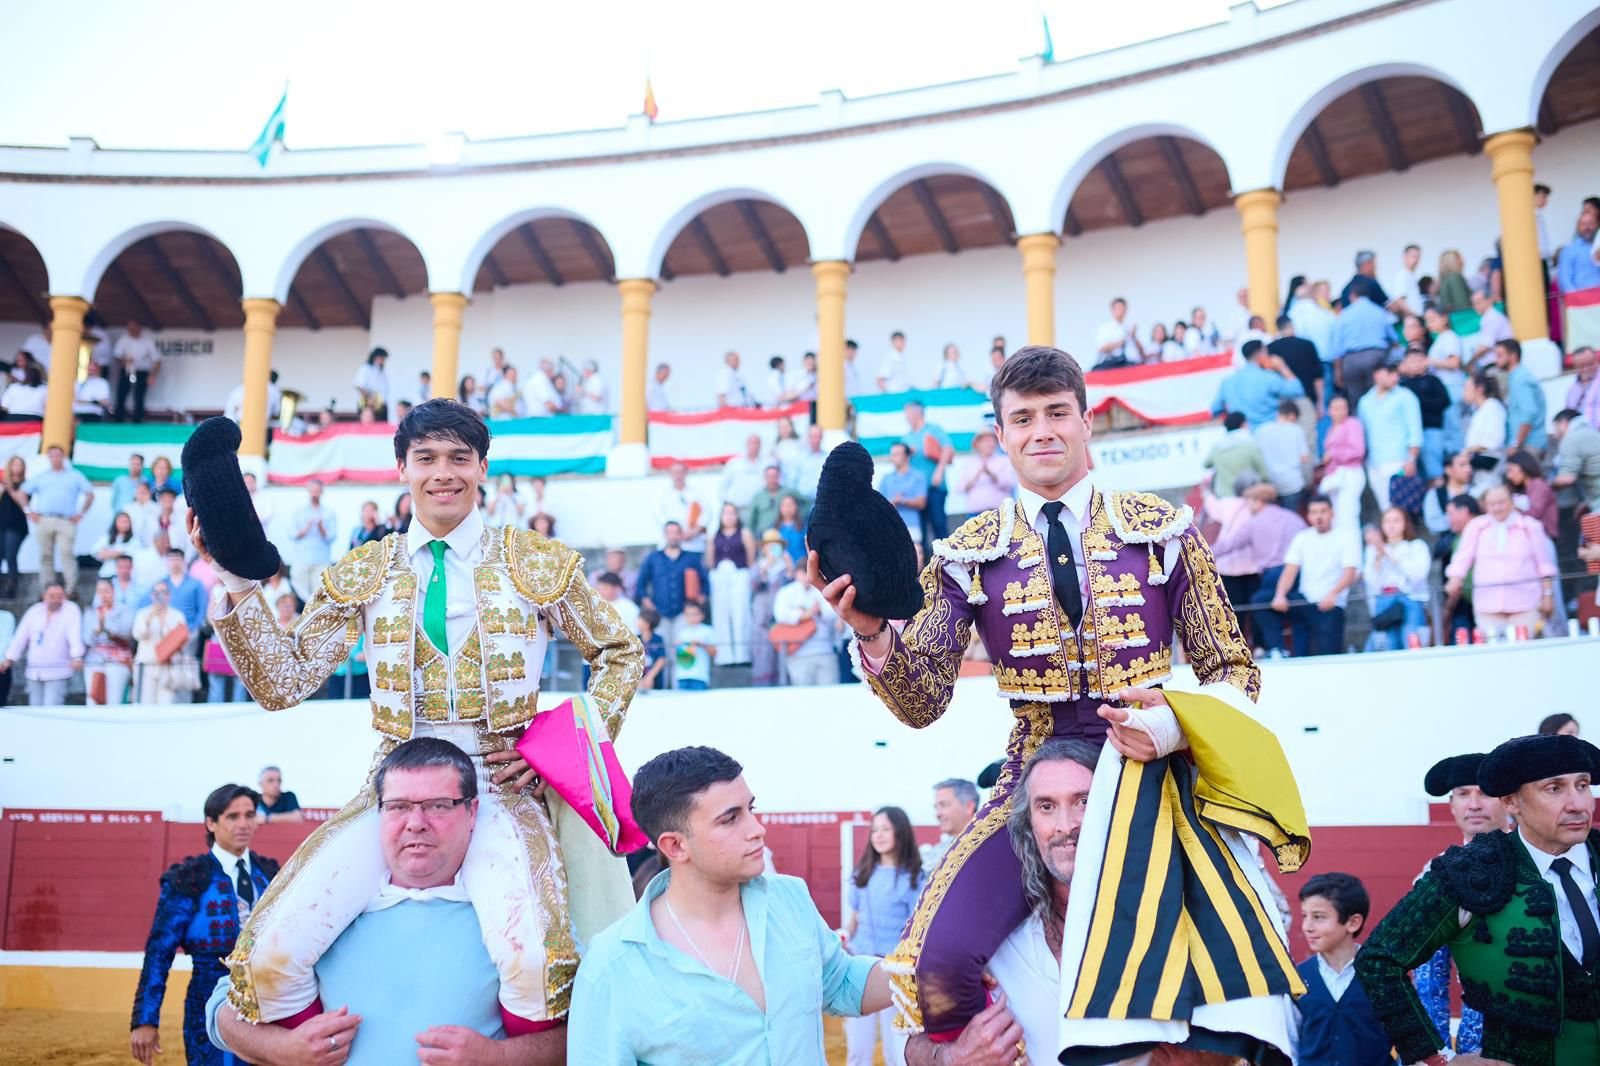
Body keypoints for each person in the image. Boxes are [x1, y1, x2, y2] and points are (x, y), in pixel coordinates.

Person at [812, 345, 1302, 1057]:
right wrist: (873, 635)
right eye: (1022, 418)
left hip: (1158, 770)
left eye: (1056, 413)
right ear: (1001, 436)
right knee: (936, 960)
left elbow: (1233, 668)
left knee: (1236, 965)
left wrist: (1167, 725)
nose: (1041, 430)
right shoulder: (965, 552)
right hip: (1032, 772)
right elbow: (922, 702)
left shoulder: (1163, 528)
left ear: (1085, 423)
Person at [200, 399, 643, 1033]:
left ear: (482, 467)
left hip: (499, 785)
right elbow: (282, 681)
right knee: (268, 956)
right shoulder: (364, 570)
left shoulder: (533, 560)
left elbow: (621, 650)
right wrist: (235, 582)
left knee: (535, 962)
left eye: (460, 458)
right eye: (427, 458)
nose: (444, 473)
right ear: (402, 467)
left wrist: (556, 756)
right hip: (396, 789)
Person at [209, 739, 567, 1065]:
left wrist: (499, 1058)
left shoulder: (519, 912)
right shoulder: (329, 909)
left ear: (472, 813)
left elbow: (590, 1026)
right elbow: (223, 1009)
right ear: (378, 813)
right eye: (398, 807)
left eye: (438, 806)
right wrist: (282, 1049)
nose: (416, 823)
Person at [567, 746, 893, 1064]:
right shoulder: (610, 967)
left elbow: (842, 981)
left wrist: (925, 969)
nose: (757, 829)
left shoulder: (790, 900)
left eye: (751, 809)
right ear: (676, 846)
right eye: (730, 819)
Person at [1358, 732, 1600, 1065]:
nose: (1576, 803)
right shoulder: (1461, 872)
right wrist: (1438, 1058)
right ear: (1512, 802)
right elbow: (1381, 960)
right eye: (1554, 788)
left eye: (1583, 785)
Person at [903, 738, 1098, 1066]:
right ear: (1028, 824)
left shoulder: (1174, 924)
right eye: (1046, 806)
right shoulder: (988, 942)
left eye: (1084, 802)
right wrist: (952, 1058)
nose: (1066, 826)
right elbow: (909, 1046)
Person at [131, 783, 278, 1066]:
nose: (244, 824)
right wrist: (144, 1020)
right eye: (233, 817)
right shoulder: (188, 878)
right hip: (207, 1002)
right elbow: (159, 953)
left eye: (250, 815)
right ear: (211, 823)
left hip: (269, 1004)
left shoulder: (270, 874)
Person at [1412, 752, 1507, 1057]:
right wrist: (1437, 1055)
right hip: (1475, 1040)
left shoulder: (1539, 864)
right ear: (1451, 805)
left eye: (1485, 793)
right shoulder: (1436, 873)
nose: (1474, 804)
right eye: (1463, 794)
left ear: (1508, 801)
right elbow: (1430, 978)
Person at [844, 807, 923, 1066]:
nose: (878, 835)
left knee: (895, 1051)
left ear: (900, 833)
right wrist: (843, 940)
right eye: (874, 829)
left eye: (885, 829)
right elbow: (854, 920)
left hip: (895, 975)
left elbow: (918, 930)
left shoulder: (915, 879)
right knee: (857, 1050)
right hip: (859, 971)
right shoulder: (862, 875)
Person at [1295, 872, 1391, 1066]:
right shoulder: (1296, 978)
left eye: (1318, 917)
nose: (1307, 926)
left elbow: (1409, 1043)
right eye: (1305, 916)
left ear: (1353, 922)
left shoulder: (1384, 978)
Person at [1445, 483, 1557, 638]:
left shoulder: (1530, 526)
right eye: (1492, 504)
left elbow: (1544, 565)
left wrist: (1548, 595)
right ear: (1485, 505)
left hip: (1525, 602)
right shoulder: (1476, 526)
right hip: (1487, 604)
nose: (1497, 508)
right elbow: (1462, 558)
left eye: (1501, 502)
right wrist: (1455, 579)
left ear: (1511, 501)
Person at [1260, 495, 1360, 657]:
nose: (1319, 516)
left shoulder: (1345, 537)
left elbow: (1350, 573)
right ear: (1308, 516)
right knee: (1262, 600)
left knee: (1328, 657)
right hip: (1305, 601)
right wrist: (1280, 595)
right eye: (1314, 512)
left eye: (1323, 511)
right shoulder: (1302, 537)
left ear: (1332, 513)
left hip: (1331, 605)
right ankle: (1277, 649)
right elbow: (1290, 571)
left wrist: (1333, 594)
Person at [636, 520, 707, 676]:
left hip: (683, 613)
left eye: (677, 533)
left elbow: (704, 582)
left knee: (681, 650)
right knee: (663, 653)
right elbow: (641, 584)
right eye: (670, 533)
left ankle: (678, 687)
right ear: (665, 535)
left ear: (681, 535)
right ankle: (665, 688)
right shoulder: (653, 558)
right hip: (660, 613)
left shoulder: (691, 558)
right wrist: (649, 604)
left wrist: (697, 604)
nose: (673, 536)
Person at [22, 443, 95, 594]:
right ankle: (46, 589)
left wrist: (81, 513)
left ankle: (70, 589)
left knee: (67, 554)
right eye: (52, 455)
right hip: (45, 519)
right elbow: (23, 491)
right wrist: (28, 511)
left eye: (58, 455)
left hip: (66, 520)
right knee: (45, 556)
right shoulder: (42, 476)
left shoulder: (75, 475)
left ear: (63, 457)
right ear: (49, 458)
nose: (55, 458)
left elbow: (89, 494)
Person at [1, 581, 84, 704]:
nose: (56, 599)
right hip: (34, 671)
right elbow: (21, 637)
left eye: (59, 596)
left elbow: (74, 634)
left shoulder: (71, 610)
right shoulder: (34, 611)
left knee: (52, 710)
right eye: (52, 596)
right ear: (44, 596)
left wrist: (77, 656)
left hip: (58, 671)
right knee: (35, 710)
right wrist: (9, 658)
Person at [1356, 360, 1422, 514]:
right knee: (1385, 509)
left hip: (1398, 460)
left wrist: (1411, 459)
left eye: (1397, 374)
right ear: (1377, 375)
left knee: (1401, 510)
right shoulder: (1365, 401)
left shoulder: (1405, 396)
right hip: (1373, 462)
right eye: (1390, 373)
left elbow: (1415, 430)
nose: (1395, 378)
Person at [1362, 507, 1431, 651]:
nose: (1391, 525)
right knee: (1387, 648)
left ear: (1405, 523)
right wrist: (1378, 558)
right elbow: (1372, 583)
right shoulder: (1372, 550)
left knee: (1412, 645)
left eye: (1396, 521)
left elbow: (1417, 576)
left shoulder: (1416, 546)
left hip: (1411, 599)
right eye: (1387, 521)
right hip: (1384, 602)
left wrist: (1390, 554)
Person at [1210, 339, 1305, 429]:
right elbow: (1297, 390)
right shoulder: (1269, 377)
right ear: (1261, 353)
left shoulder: (1227, 382)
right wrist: (1282, 366)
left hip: (1245, 435)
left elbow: (1215, 409)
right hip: (1270, 432)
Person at [1328, 277, 1395, 404]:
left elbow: (1337, 347)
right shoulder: (1379, 312)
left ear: (1352, 296)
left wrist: (1338, 371)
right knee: (1379, 397)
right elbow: (1393, 337)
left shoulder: (1344, 315)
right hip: (1376, 357)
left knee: (1356, 401)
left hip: (1351, 360)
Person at [902, 401, 955, 555]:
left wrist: (939, 470)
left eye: (907, 412)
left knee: (939, 524)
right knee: (921, 530)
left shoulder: (933, 430)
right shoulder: (907, 437)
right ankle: (925, 569)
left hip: (934, 487)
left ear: (917, 412)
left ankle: (949, 562)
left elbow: (948, 449)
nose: (906, 416)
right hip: (917, 492)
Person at [706, 502, 755, 667]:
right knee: (721, 614)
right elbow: (709, 559)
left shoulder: (744, 533)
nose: (729, 517)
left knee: (741, 612)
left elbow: (750, 558)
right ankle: (724, 656)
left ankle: (742, 655)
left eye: (732, 513)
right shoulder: (714, 535)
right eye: (726, 513)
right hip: (720, 574)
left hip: (739, 573)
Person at [770, 572, 840, 686]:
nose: (807, 577)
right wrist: (806, 614)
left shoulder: (823, 590)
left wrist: (818, 611)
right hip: (799, 655)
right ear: (797, 574)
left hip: (825, 651)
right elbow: (780, 615)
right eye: (803, 573)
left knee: (830, 694)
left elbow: (834, 613)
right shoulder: (787, 592)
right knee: (803, 696)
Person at [132, 580, 191, 705]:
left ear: (169, 595)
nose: (159, 596)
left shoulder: (177, 615)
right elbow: (138, 634)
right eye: (156, 593)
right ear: (151, 595)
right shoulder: (143, 613)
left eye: (163, 592)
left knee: (167, 703)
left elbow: (183, 639)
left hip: (168, 666)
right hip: (147, 664)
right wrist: (149, 618)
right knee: (145, 703)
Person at [1399, 347, 1452, 482]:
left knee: (1435, 473)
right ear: (1404, 364)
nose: (1416, 364)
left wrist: (1419, 403)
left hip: (1431, 430)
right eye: (1412, 361)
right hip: (1409, 437)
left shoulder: (1433, 381)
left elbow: (1444, 401)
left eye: (1419, 361)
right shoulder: (1402, 385)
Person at [82, 578, 134, 706]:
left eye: (107, 591)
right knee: (93, 700)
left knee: (113, 701)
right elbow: (87, 639)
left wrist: (106, 625)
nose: (103, 595)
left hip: (118, 660)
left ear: (113, 592)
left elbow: (127, 634)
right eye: (100, 592)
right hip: (94, 660)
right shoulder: (90, 612)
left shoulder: (124, 610)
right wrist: (97, 630)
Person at [1255, 400, 1310, 511]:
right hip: (1292, 483)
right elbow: (1304, 458)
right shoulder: (1296, 430)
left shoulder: (1261, 430)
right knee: (1291, 521)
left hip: (1270, 484)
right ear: (1292, 416)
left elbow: (1257, 456)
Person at [287, 478, 337, 603]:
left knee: (320, 594)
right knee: (299, 591)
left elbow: (331, 537)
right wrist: (307, 527)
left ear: (322, 492)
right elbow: (292, 534)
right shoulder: (299, 511)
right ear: (308, 491)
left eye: (317, 491)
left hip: (321, 559)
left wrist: (321, 527)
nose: (315, 494)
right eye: (312, 491)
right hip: (302, 558)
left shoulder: (329, 512)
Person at [1495, 339, 1548, 453]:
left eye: (1499, 355)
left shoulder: (1520, 379)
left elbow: (1529, 413)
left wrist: (1515, 444)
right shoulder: (1517, 377)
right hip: (1526, 444)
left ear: (1512, 356)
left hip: (1528, 445)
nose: (1496, 360)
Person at [954, 429, 1017, 522]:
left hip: (1001, 513)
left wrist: (992, 475)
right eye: (985, 441)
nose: (989, 444)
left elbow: (1010, 484)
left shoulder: (1005, 461)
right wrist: (976, 475)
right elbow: (960, 488)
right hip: (975, 515)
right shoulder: (969, 464)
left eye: (991, 440)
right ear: (977, 444)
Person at [1203, 411, 1270, 499]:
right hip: (1248, 497)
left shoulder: (1218, 446)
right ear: (1243, 424)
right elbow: (1264, 474)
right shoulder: (1250, 444)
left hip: (1224, 498)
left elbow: (1206, 464)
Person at [1551, 408, 1600, 514]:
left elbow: (1567, 479)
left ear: (1563, 423)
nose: (1554, 435)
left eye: (1555, 428)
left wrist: (1547, 485)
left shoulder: (1571, 439)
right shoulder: (1593, 433)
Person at [921, 778, 978, 870]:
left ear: (969, 806)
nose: (938, 814)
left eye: (944, 805)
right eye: (936, 807)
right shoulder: (936, 852)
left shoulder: (986, 846)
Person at [879, 441, 930, 543]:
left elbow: (922, 503)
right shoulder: (886, 478)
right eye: (892, 454)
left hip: (912, 527)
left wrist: (902, 500)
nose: (893, 457)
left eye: (897, 454)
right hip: (890, 528)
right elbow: (879, 505)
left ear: (907, 457)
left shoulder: (918, 476)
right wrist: (892, 503)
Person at [1503, 449, 1559, 541]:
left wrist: (1510, 508)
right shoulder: (1524, 488)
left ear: (1523, 466)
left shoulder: (1539, 485)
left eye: (1511, 470)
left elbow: (1534, 514)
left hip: (1543, 538)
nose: (1509, 476)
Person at [655, 461, 710, 553]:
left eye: (681, 472)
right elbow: (658, 516)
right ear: (670, 474)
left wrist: (694, 531)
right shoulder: (663, 495)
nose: (678, 476)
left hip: (693, 545)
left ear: (686, 473)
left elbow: (707, 514)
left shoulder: (696, 493)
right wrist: (675, 533)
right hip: (670, 545)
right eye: (675, 472)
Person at [113, 320, 161, 423]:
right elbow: (117, 356)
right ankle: (118, 421)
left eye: (134, 328)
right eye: (130, 329)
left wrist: (152, 376)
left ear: (139, 328)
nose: (132, 331)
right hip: (127, 370)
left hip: (142, 371)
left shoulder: (147, 341)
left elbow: (157, 360)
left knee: (139, 396)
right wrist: (125, 361)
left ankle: (137, 421)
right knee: (121, 395)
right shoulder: (124, 340)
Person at [1556, 196, 1600, 295]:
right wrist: (1576, 298)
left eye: (1591, 224)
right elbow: (1565, 280)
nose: (1587, 227)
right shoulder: (1569, 250)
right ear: (1577, 226)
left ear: (1597, 225)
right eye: (1583, 224)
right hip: (1580, 302)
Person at [720, 434, 768, 525]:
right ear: (746, 445)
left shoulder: (767, 463)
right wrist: (729, 506)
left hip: (761, 511)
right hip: (740, 510)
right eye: (751, 443)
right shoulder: (734, 464)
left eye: (757, 443)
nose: (754, 446)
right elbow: (722, 487)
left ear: (760, 446)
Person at [671, 599, 717, 691]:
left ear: (702, 615)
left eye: (694, 614)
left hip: (700, 676)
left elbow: (714, 653)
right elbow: (677, 655)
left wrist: (701, 645)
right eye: (688, 615)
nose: (691, 617)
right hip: (682, 676)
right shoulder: (682, 632)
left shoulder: (707, 631)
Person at [0, 455, 28, 597]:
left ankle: (12, 586)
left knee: (11, 555)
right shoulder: (3, 484)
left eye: (19, 465)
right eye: (14, 465)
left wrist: (11, 490)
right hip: (2, 524)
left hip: (16, 526)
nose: (16, 468)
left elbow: (24, 504)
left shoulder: (26, 485)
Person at [1093, 297, 1143, 369]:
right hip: (1114, 366)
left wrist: (1134, 337)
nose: (1122, 311)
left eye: (1123, 309)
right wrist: (1121, 341)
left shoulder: (1129, 327)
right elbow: (1101, 348)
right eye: (1119, 309)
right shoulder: (1105, 328)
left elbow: (1141, 352)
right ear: (1112, 310)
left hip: (1132, 365)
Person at [793, 423, 831, 504]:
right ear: (808, 438)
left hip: (823, 503)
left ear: (821, 437)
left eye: (817, 436)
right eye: (812, 436)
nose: (815, 440)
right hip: (803, 504)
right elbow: (793, 481)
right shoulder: (799, 458)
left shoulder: (828, 458)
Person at [352, 347, 391, 419]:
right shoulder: (366, 368)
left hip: (381, 405)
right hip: (369, 405)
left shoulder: (381, 371)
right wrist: (369, 399)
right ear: (376, 357)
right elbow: (358, 385)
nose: (383, 361)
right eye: (382, 358)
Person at [747, 465, 786, 535]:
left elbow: (806, 503)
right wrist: (753, 536)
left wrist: (800, 516)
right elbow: (752, 520)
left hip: (784, 533)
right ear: (765, 477)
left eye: (775, 476)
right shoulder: (758, 496)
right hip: (762, 535)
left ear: (779, 477)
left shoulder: (788, 492)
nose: (772, 479)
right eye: (770, 477)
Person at [637, 608, 668, 692]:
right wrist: (639, 680)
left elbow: (662, 659)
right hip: (639, 683)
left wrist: (650, 677)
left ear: (647, 624)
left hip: (655, 681)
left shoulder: (658, 639)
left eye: (640, 619)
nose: (637, 622)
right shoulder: (636, 639)